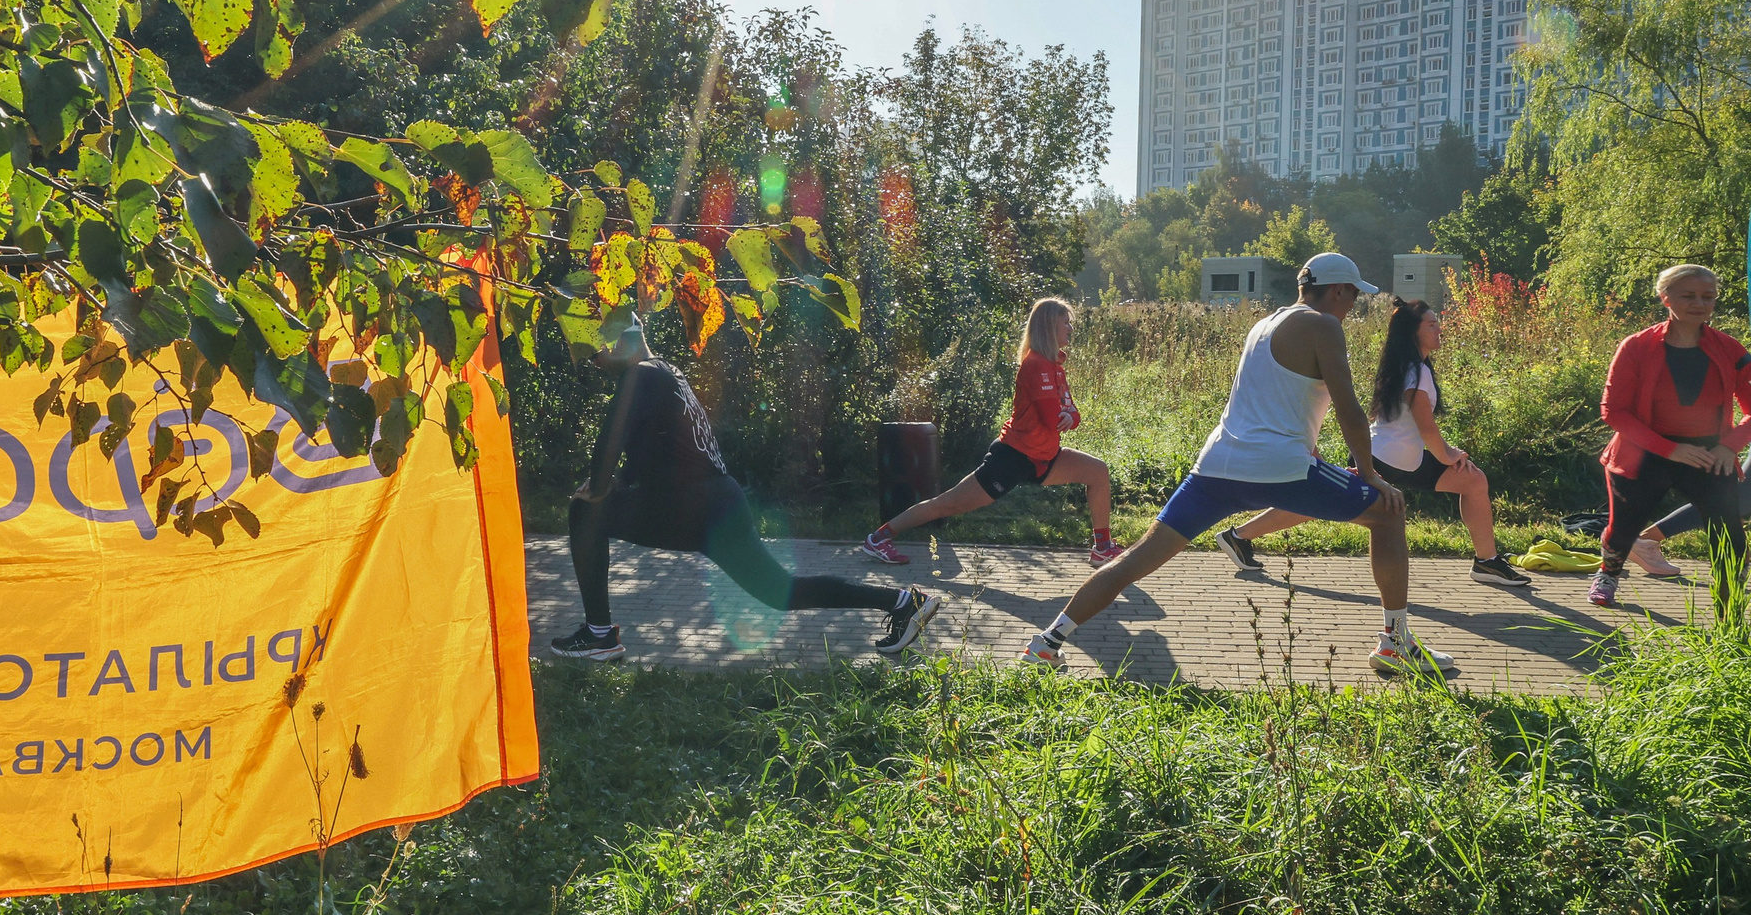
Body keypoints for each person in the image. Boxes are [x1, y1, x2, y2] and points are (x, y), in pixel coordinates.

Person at [1020, 254, 1455, 678]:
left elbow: (1274, 398)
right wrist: (1371, 474)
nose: (1353, 305)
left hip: (1217, 465)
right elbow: (1349, 409)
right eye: (1353, 296)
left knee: (1137, 558)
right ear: (1337, 290)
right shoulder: (1323, 325)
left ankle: (1048, 642)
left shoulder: (1263, 325)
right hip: (1281, 467)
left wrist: (1308, 445)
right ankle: (1396, 645)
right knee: (1387, 511)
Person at [550, 308, 942, 661]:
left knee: (586, 510)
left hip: (697, 506)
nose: (596, 362)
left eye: (596, 351)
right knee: (781, 592)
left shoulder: (640, 376)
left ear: (619, 342)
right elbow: (657, 448)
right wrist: (619, 480)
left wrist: (600, 486)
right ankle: (901, 602)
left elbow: (609, 441)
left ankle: (599, 635)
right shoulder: (664, 372)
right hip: (717, 503)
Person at [1217, 298, 1531, 589]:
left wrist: (1446, 456)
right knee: (1319, 502)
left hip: (1402, 459)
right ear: (1413, 332)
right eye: (1431, 324)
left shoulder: (1410, 367)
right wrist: (1449, 455)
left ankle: (1486, 562)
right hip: (1385, 460)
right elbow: (1426, 427)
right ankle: (1239, 535)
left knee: (1474, 482)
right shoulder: (1416, 372)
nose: (1439, 328)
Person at [860, 296, 1122, 568]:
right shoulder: (1036, 366)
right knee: (947, 504)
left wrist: (1070, 416)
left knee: (1097, 471)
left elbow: (1071, 411)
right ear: (1048, 327)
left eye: (1070, 323)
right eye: (1065, 323)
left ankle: (1102, 547)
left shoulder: (1055, 366)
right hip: (1012, 458)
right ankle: (878, 539)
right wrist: (1066, 415)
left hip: (1044, 456)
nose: (1070, 328)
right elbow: (1052, 417)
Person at [1591, 264, 1751, 614]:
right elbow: (1613, 412)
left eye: (1708, 297)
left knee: (1729, 536)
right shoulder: (1635, 346)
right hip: (1643, 451)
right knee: (1624, 528)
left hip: (1710, 453)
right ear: (1665, 298)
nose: (1700, 303)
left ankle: (1730, 612)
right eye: (1688, 295)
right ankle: (1609, 572)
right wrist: (1671, 450)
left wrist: (1730, 445)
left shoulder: (1729, 348)